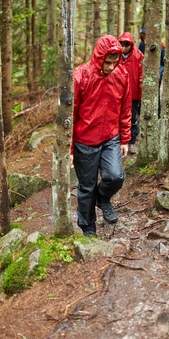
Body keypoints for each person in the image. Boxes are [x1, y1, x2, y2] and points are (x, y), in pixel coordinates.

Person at [71, 35, 131, 236]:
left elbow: (125, 108)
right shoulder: (80, 76)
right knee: (86, 188)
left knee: (115, 176)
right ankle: (88, 229)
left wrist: (124, 138)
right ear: (99, 58)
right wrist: (70, 149)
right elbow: (71, 114)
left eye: (115, 62)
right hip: (84, 141)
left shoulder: (121, 75)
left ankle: (103, 199)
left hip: (110, 137)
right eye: (108, 62)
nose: (111, 67)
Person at [118, 31, 143, 155]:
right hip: (118, 94)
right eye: (121, 43)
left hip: (133, 94)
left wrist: (141, 91)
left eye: (126, 44)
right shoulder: (115, 55)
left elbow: (141, 75)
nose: (123, 47)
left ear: (131, 45)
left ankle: (132, 142)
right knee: (118, 117)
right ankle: (118, 142)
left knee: (132, 118)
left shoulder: (138, 56)